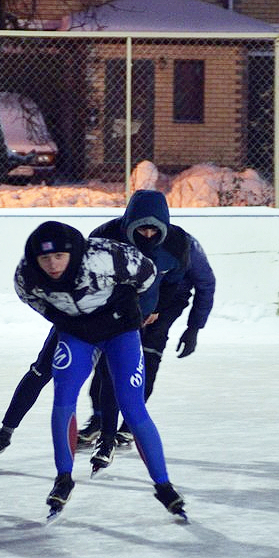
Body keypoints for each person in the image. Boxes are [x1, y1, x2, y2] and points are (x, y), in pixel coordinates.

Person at [14, 220, 186, 520]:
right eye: (45, 259)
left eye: (59, 256)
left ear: (74, 254)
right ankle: (63, 478)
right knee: (63, 398)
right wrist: (66, 320)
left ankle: (163, 485)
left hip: (120, 330)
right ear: (34, 260)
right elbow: (34, 301)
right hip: (78, 334)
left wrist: (136, 310)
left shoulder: (107, 257)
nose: (52, 265)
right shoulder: (26, 277)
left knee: (132, 406)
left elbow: (147, 276)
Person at [79, 190, 216, 473]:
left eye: (155, 229)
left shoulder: (181, 244)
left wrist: (193, 328)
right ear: (129, 223)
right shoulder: (104, 237)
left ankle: (128, 425)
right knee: (108, 363)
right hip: (119, 303)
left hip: (165, 302)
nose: (149, 234)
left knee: (146, 360)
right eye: (142, 228)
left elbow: (205, 283)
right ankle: (100, 418)